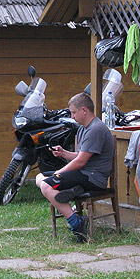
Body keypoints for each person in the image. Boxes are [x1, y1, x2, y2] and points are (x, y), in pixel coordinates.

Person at [35, 92, 115, 242]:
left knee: (46, 185)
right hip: (83, 174)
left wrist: (58, 173)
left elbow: (80, 162)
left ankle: (76, 223)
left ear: (84, 110)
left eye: (73, 112)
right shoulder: (84, 128)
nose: (72, 116)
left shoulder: (95, 129)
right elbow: (80, 155)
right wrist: (64, 153)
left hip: (93, 178)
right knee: (40, 177)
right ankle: (73, 196)